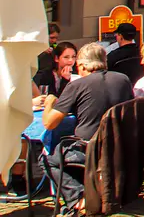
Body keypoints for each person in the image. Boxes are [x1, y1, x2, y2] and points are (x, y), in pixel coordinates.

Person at [42, 43, 134, 213]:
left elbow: (49, 123)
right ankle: (93, 194)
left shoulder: (77, 85)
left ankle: (78, 200)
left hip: (89, 148)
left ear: (83, 65)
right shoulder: (123, 80)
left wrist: (49, 102)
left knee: (49, 160)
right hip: (120, 145)